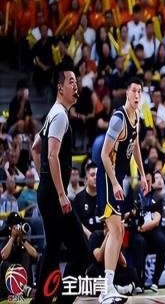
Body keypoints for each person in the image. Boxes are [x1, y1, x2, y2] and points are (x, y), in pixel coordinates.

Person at [30, 63, 89, 303]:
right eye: (71, 81)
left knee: (52, 249)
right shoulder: (60, 116)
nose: (76, 85)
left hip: (47, 192)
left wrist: (44, 178)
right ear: (60, 87)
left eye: (76, 81)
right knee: (82, 252)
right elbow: (52, 155)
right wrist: (62, 194)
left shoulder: (52, 114)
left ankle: (40, 301)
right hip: (55, 195)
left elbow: (35, 149)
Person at [97, 77, 150, 303]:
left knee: (117, 233)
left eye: (140, 91)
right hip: (108, 177)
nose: (137, 95)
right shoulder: (119, 118)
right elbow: (103, 154)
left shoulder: (137, 117)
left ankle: (108, 287)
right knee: (116, 231)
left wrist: (143, 174)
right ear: (127, 93)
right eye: (134, 91)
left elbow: (135, 146)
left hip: (117, 178)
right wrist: (115, 183)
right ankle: (106, 289)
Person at [0, 212, 38, 298]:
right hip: (10, 286)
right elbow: (3, 256)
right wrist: (12, 238)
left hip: (24, 281)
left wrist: (22, 240)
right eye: (15, 225)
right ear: (10, 227)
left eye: (19, 224)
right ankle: (24, 289)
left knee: (26, 255)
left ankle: (25, 288)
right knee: (4, 264)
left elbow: (35, 255)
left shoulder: (24, 242)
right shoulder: (6, 242)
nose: (18, 227)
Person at [73, 162, 102, 239]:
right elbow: (77, 222)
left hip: (102, 237)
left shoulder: (104, 197)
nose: (95, 178)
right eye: (92, 175)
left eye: (97, 175)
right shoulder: (78, 199)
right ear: (86, 178)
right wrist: (90, 235)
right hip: (85, 238)